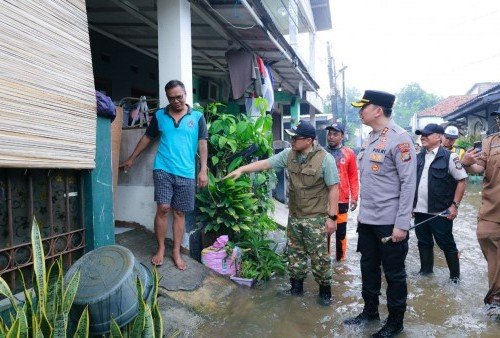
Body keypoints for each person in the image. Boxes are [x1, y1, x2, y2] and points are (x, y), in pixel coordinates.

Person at [225, 120, 339, 306]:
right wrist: (241, 169)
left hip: (316, 218)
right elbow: (265, 164)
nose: (291, 140)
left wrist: (332, 218)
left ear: (309, 140)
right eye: (291, 137)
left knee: (319, 259)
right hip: (295, 217)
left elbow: (334, 189)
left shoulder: (325, 159)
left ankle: (325, 294)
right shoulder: (289, 155)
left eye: (296, 137)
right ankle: (296, 290)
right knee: (295, 256)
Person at [343, 90, 416, 337]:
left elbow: (408, 184)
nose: (359, 112)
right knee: (368, 268)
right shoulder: (371, 137)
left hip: (390, 222)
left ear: (377, 110)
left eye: (363, 107)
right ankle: (370, 312)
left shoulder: (400, 139)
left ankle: (395, 323)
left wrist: (402, 225)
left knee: (394, 275)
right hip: (367, 221)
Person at [120, 80, 208, 268]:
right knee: (163, 208)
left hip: (186, 172)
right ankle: (160, 248)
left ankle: (176, 251)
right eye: (171, 98)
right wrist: (131, 158)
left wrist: (203, 170)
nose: (176, 101)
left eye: (179, 97)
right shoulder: (160, 115)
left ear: (185, 94)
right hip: (163, 168)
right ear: (167, 98)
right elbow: (147, 138)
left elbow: (202, 143)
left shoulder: (198, 117)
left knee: (179, 212)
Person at [413, 123, 467, 282]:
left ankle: (455, 279)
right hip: (420, 211)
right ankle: (426, 273)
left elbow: (461, 181)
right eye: (421, 134)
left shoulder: (449, 157)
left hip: (440, 212)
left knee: (447, 245)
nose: (423, 137)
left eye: (426, 134)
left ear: (438, 137)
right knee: (423, 243)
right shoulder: (418, 157)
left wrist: (454, 205)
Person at [461, 110, 500, 310]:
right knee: (485, 236)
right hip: (491, 209)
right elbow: (479, 168)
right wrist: (468, 164)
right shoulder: (491, 142)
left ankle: (495, 298)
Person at [325, 122, 359, 261]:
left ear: (342, 136)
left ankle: (340, 263)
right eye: (329, 134)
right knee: (324, 232)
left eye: (335, 134)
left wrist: (355, 197)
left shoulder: (349, 153)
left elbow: (353, 177)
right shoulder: (321, 152)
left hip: (342, 200)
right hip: (323, 199)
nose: (331, 137)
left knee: (341, 233)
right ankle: (324, 260)